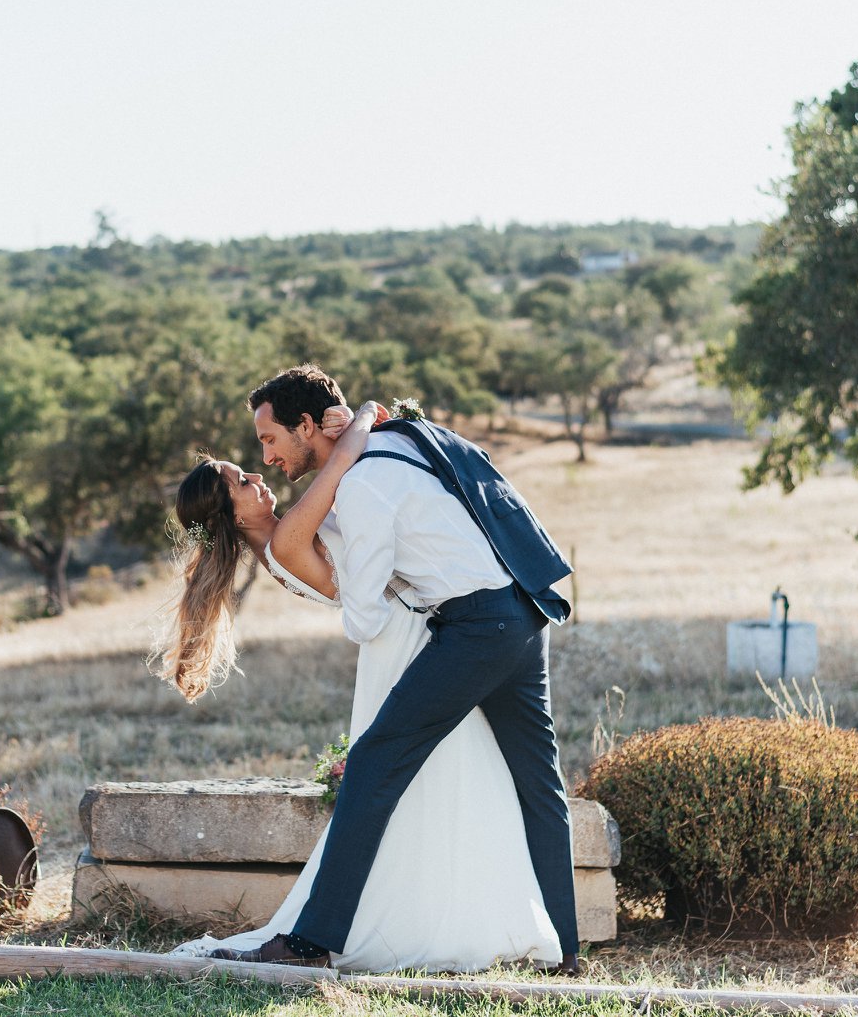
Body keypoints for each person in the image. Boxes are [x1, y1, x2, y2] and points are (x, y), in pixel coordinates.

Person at [157, 397, 563, 973]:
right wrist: (367, 416)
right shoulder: (286, 537)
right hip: (408, 640)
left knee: (459, 778)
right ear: (233, 514)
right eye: (244, 480)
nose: (260, 471)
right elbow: (344, 464)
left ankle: (452, 918)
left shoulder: (291, 527)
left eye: (261, 454)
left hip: (432, 632)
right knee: (423, 775)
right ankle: (344, 933)